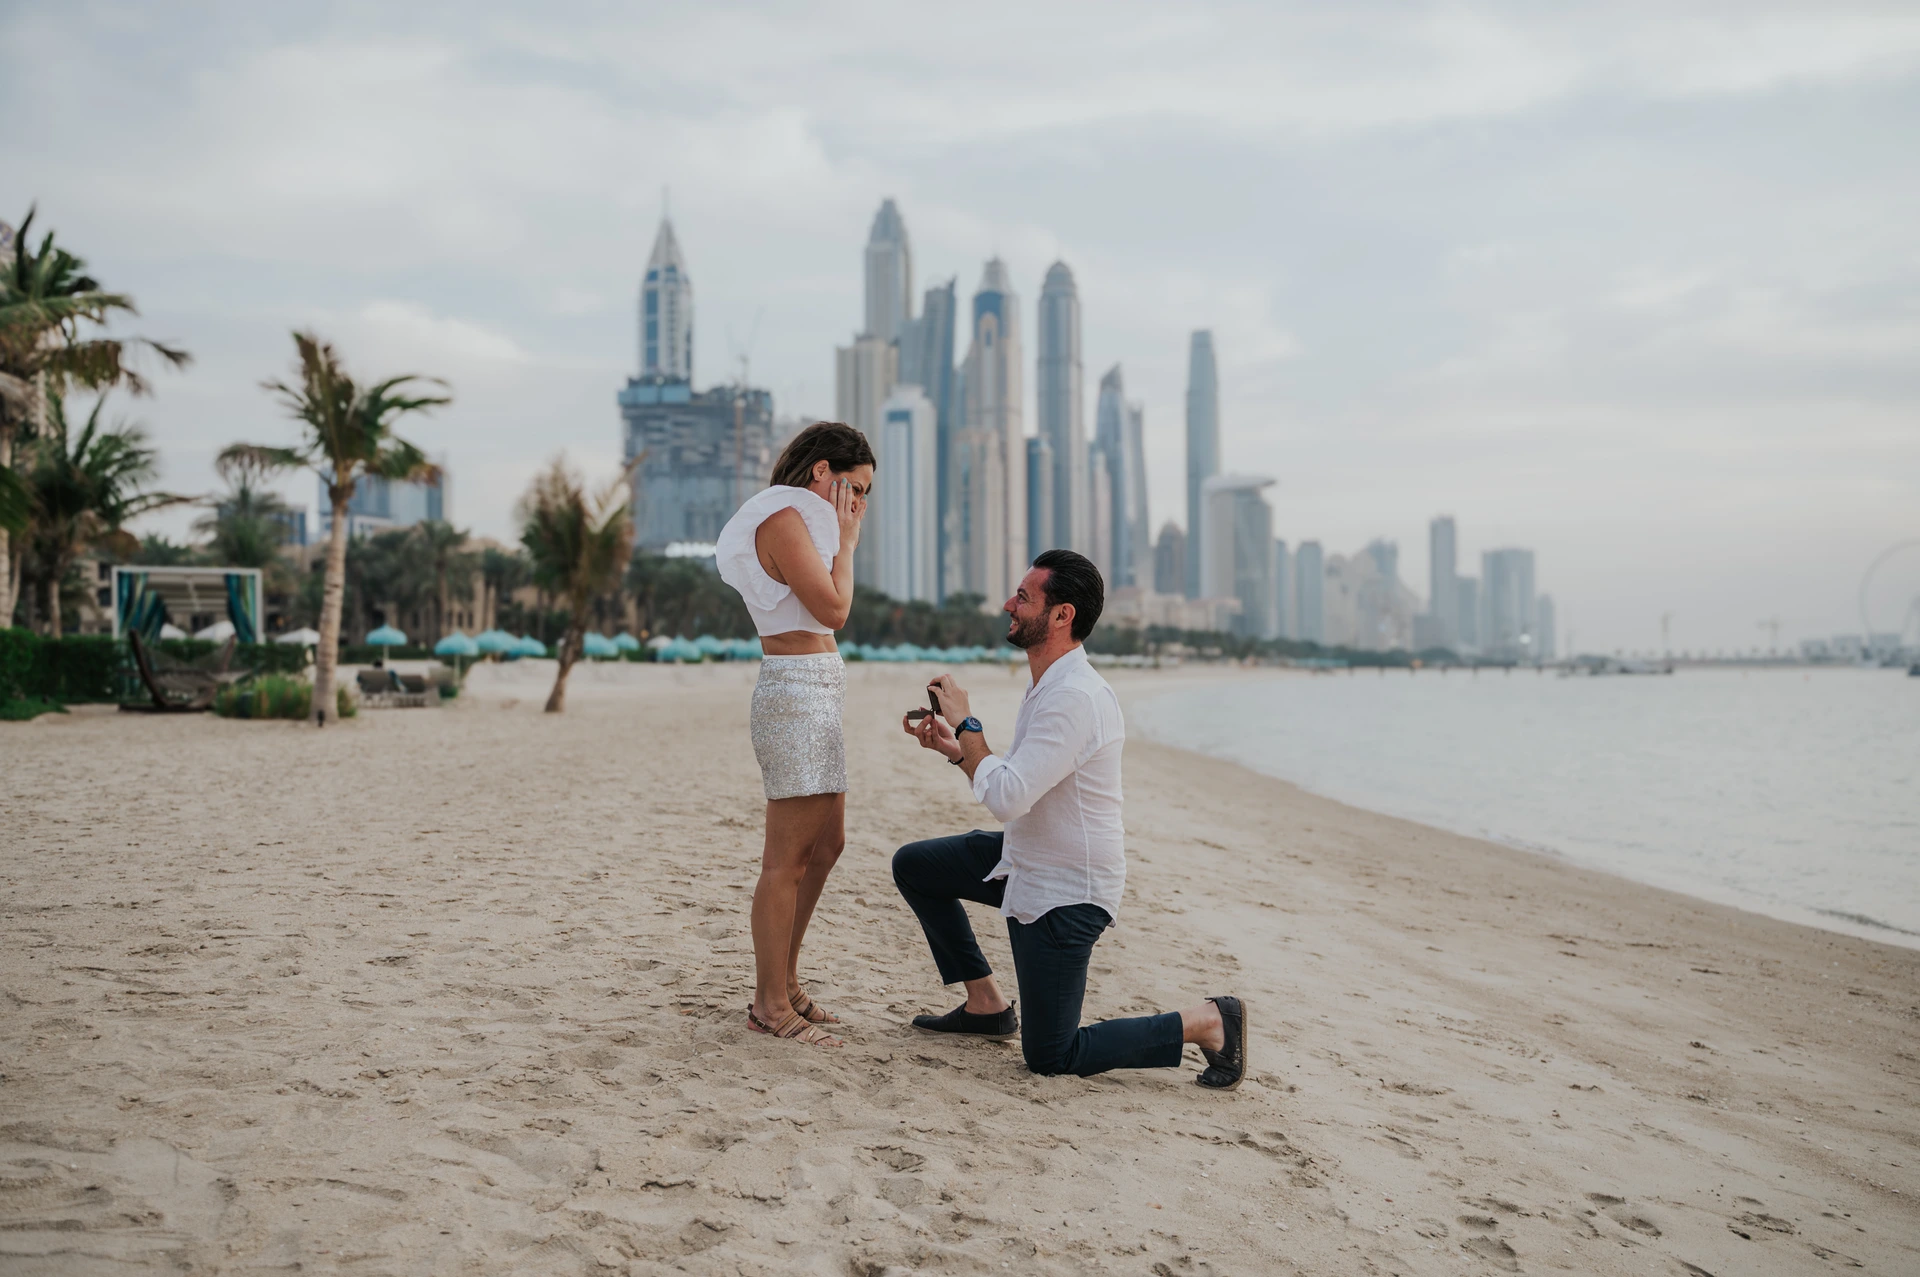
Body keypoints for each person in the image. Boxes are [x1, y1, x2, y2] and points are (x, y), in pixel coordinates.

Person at [894, 549, 1248, 1088]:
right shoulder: (1050, 684)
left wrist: (966, 720)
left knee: (1051, 1055)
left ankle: (1206, 1022)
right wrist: (957, 749)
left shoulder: (1076, 697)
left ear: (1062, 616)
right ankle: (986, 1004)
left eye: (1024, 597)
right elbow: (1018, 779)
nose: (1009, 604)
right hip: (1027, 858)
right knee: (916, 866)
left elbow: (1009, 796)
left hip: (1068, 890)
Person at [715, 421, 875, 1049]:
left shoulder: (803, 520)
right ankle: (769, 1003)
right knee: (784, 861)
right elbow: (835, 610)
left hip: (818, 692)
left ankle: (786, 979)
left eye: (865, 497)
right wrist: (850, 542)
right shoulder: (784, 519)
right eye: (854, 488)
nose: (858, 504)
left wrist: (841, 535)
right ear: (821, 472)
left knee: (828, 844)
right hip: (795, 695)